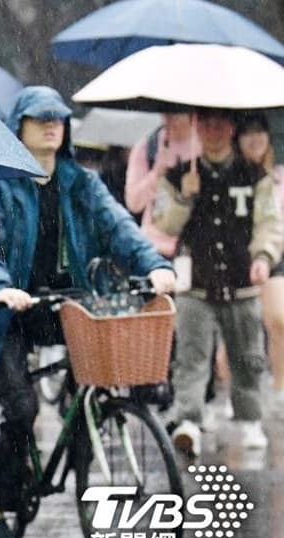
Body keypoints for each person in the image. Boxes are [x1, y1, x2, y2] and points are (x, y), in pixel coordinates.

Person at [0, 86, 174, 538]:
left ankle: (80, 455)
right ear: (19, 126)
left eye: (58, 118)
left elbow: (119, 227)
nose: (52, 124)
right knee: (20, 409)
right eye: (39, 118)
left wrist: (155, 264)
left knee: (98, 381)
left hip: (60, 304)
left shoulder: (80, 182)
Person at [154, 108, 283, 456]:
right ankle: (189, 419)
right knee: (192, 356)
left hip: (242, 279)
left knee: (247, 353)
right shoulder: (179, 174)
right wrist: (185, 197)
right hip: (195, 280)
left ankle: (250, 418)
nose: (213, 131)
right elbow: (163, 223)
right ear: (198, 128)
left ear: (231, 129)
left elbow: (270, 223)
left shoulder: (254, 175)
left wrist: (263, 256)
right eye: (206, 124)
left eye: (220, 124)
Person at [234, 112, 284, 414]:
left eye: (260, 132)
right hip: (235, 255)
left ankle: (280, 388)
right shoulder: (231, 176)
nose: (255, 139)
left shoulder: (278, 176)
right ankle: (232, 397)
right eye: (247, 132)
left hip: (275, 254)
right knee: (235, 335)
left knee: (279, 319)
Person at [125, 112, 202, 258]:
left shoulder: (207, 142)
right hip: (155, 248)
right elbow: (134, 203)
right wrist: (156, 173)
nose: (170, 116)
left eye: (177, 110)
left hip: (198, 248)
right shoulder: (148, 147)